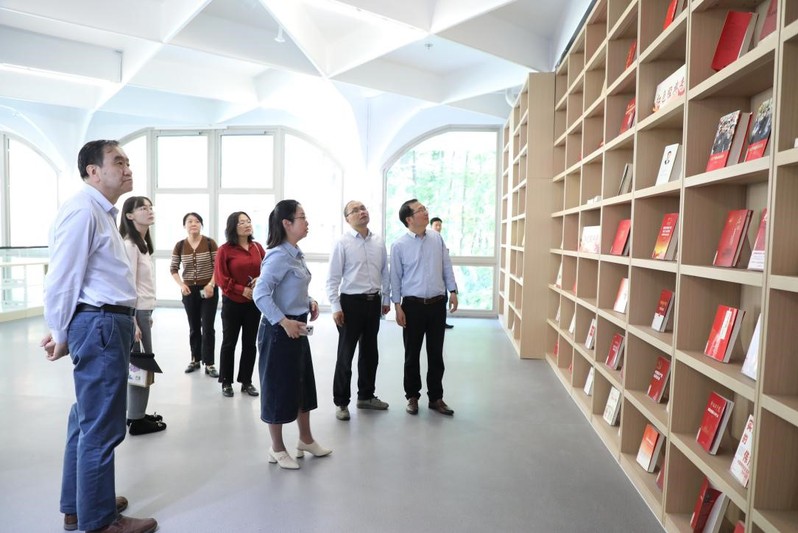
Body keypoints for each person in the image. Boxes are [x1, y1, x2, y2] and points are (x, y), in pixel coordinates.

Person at [40, 140, 157, 533]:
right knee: (101, 427)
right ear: (93, 171)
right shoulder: (83, 210)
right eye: (118, 162)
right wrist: (59, 331)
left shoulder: (101, 212)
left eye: (128, 162)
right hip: (101, 324)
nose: (128, 169)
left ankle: (80, 504)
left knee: (86, 417)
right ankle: (100, 520)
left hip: (107, 322)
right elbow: (62, 277)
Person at [254, 200, 331, 469]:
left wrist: (309, 301)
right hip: (279, 331)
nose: (307, 222)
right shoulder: (278, 256)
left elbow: (291, 288)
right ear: (286, 223)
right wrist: (283, 321)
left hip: (297, 327)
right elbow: (260, 294)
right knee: (277, 388)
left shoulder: (296, 253)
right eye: (302, 217)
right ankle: (276, 448)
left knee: (302, 384)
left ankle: (305, 439)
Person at [391, 199, 458, 416]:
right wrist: (397, 306)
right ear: (409, 219)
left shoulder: (436, 238)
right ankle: (412, 396)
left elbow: (446, 265)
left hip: (437, 304)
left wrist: (453, 290)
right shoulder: (399, 245)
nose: (426, 212)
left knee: (436, 354)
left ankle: (436, 398)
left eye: (425, 208)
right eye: (420, 210)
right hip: (412, 306)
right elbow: (395, 278)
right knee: (412, 354)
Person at [325, 200, 391, 421]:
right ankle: (341, 402)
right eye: (355, 210)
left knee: (370, 353)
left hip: (373, 302)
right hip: (350, 304)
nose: (362, 212)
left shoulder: (378, 241)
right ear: (347, 218)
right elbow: (332, 278)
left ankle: (366, 396)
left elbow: (385, 272)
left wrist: (386, 298)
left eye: (363, 208)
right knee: (346, 355)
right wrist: (336, 307)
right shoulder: (342, 243)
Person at [119, 195, 167, 435]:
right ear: (129, 215)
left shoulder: (142, 244)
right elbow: (127, 285)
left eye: (150, 207)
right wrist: (134, 321)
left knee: (141, 363)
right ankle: (136, 420)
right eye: (142, 208)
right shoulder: (130, 245)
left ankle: (136, 413)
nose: (149, 211)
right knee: (141, 364)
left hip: (142, 311)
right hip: (135, 312)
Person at [214, 211, 265, 398]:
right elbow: (221, 278)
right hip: (232, 302)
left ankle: (246, 381)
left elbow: (267, 268)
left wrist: (260, 278)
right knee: (229, 342)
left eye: (248, 221)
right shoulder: (225, 250)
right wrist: (241, 289)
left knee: (250, 343)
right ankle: (226, 382)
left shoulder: (257, 247)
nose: (247, 224)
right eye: (241, 222)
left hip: (254, 303)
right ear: (233, 227)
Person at [170, 212, 219, 377]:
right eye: (190, 221)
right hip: (189, 290)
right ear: (185, 225)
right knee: (194, 326)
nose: (193, 224)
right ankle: (195, 359)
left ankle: (210, 363)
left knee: (208, 327)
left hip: (209, 290)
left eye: (197, 221)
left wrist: (211, 284)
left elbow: (218, 267)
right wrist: (181, 284)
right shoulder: (180, 245)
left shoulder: (210, 243)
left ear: (201, 225)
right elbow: (173, 268)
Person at [429, 216, 454, 329]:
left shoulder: (440, 239)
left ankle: (442, 322)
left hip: (442, 277)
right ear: (431, 226)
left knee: (444, 299)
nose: (438, 227)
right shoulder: (429, 240)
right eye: (436, 225)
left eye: (440, 225)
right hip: (433, 278)